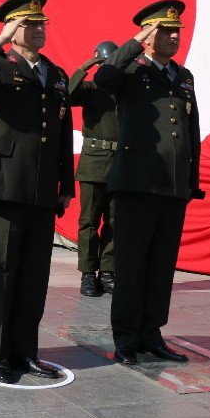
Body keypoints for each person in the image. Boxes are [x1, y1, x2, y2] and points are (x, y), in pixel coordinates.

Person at [0, 0, 74, 384]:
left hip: (42, 187)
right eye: (30, 23)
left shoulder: (56, 74)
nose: (39, 29)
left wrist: (65, 185)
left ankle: (27, 351)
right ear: (13, 28)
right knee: (4, 272)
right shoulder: (0, 67)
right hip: (6, 182)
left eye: (42, 23)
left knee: (35, 275)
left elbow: (61, 135)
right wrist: (0, 40)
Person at [94, 0, 203, 366]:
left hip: (171, 186)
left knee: (160, 264)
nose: (174, 37)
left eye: (177, 32)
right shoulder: (131, 70)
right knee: (132, 263)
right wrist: (137, 41)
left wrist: (191, 179)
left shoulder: (182, 77)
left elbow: (191, 131)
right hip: (136, 184)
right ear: (149, 33)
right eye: (166, 31)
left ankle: (151, 333)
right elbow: (103, 78)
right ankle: (126, 336)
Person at [69, 41, 119, 297]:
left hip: (120, 163)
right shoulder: (90, 88)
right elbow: (67, 93)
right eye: (104, 63)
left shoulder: (124, 90)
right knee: (88, 221)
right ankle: (88, 273)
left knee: (114, 222)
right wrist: (87, 65)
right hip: (93, 162)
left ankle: (108, 271)